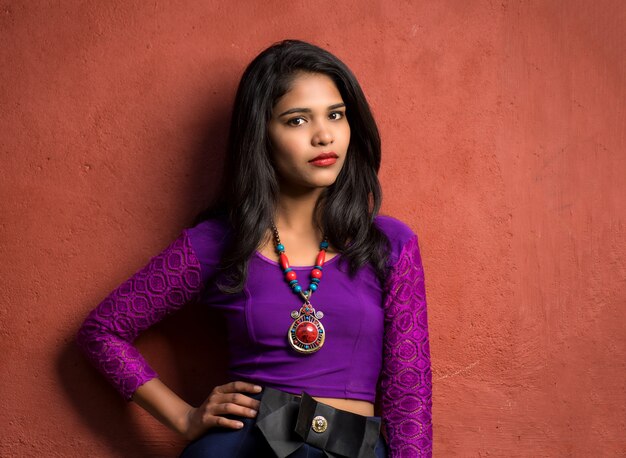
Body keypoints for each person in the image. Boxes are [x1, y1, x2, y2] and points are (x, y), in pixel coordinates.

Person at [77, 39, 432, 457]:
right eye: (297, 120)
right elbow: (102, 330)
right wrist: (182, 417)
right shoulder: (218, 242)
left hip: (348, 448)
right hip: (242, 447)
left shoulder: (389, 245)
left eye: (335, 115)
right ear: (260, 134)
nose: (324, 135)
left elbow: (409, 395)